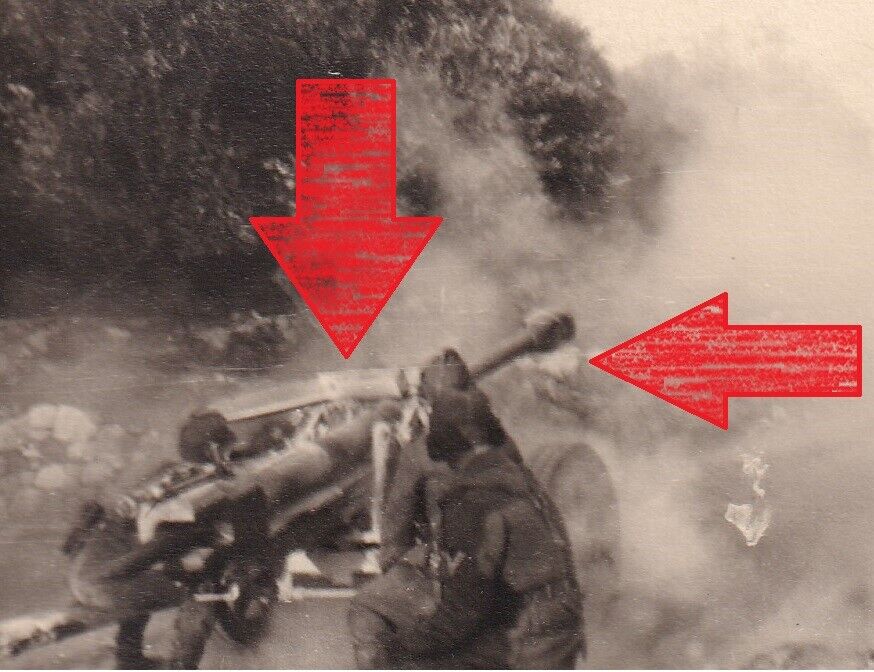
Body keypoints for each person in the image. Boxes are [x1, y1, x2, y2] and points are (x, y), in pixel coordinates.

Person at [348, 350, 585, 669]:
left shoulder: (463, 495)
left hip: (501, 612)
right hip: (553, 615)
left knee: (376, 619)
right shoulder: (508, 461)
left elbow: (399, 534)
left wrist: (406, 641)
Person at [63, 412, 271, 669]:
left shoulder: (165, 472)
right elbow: (169, 545)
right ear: (214, 451)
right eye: (226, 448)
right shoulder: (197, 497)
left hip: (88, 570)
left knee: (141, 585)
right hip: (106, 584)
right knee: (201, 590)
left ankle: (129, 660)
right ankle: (181, 666)